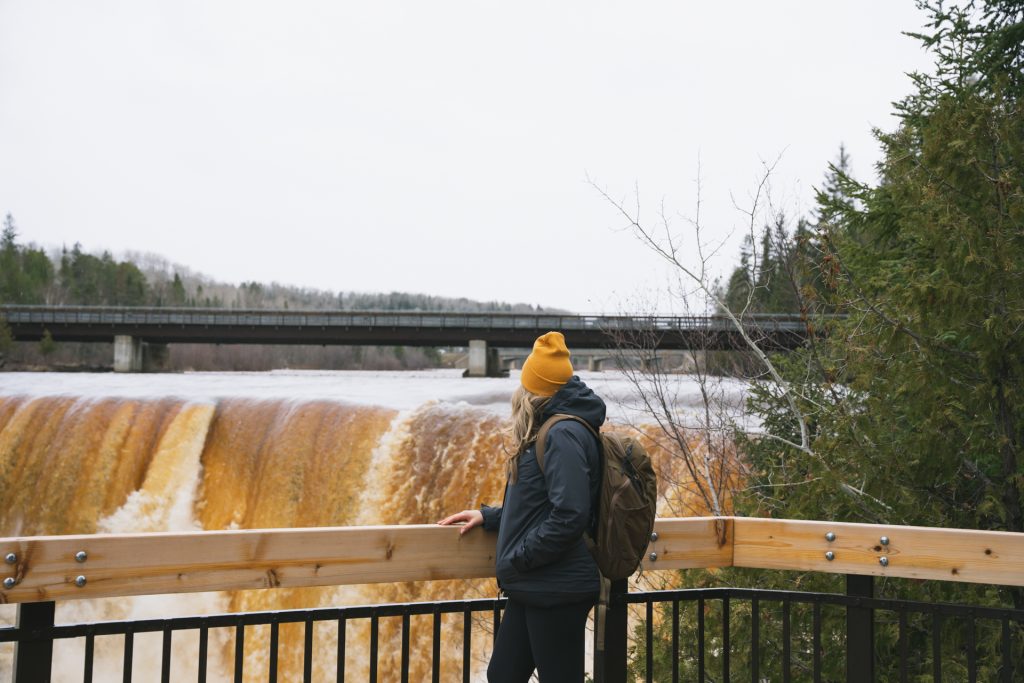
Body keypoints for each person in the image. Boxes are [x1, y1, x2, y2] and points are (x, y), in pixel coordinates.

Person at [438, 331, 605, 682]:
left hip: (555, 587)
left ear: (535, 386)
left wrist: (520, 557)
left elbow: (570, 514)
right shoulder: (550, 428)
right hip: (534, 585)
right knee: (502, 676)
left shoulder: (562, 434)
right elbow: (541, 504)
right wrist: (490, 516)